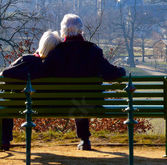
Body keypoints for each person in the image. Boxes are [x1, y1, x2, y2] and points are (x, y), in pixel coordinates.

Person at [42, 14, 126, 150]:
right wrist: (122, 71)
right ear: (81, 31)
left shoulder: (55, 53)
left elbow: (42, 73)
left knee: (75, 97)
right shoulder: (93, 51)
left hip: (59, 104)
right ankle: (85, 139)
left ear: (63, 31)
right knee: (82, 98)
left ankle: (84, 139)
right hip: (90, 103)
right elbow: (110, 73)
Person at [0, 30, 62, 150]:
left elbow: (5, 73)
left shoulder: (26, 61)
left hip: (20, 106)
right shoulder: (58, 67)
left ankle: (4, 139)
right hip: (53, 106)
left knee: (4, 99)